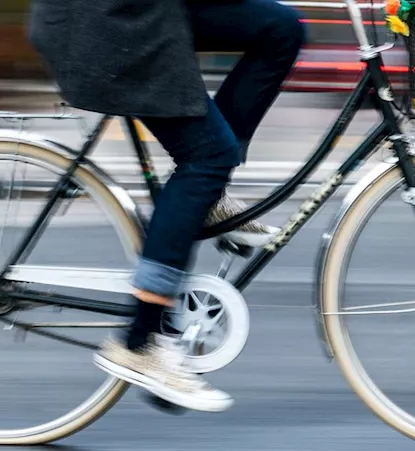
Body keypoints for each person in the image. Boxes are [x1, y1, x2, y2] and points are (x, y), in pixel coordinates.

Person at [28, 0, 305, 413]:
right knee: (207, 156)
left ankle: (207, 196)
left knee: (281, 28)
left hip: (145, 13)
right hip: (110, 26)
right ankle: (140, 342)